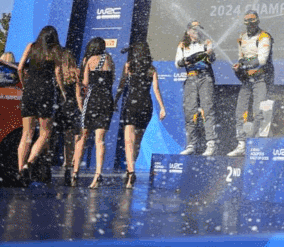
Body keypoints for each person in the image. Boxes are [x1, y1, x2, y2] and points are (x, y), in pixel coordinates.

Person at [16, 25, 66, 184]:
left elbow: (20, 68)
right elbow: (58, 73)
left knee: (26, 134)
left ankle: (20, 170)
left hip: (29, 91)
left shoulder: (31, 47)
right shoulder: (55, 51)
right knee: (45, 133)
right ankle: (29, 163)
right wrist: (63, 91)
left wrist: (24, 85)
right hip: (46, 92)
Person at [115, 42, 166, 188]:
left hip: (132, 103)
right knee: (137, 142)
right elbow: (156, 89)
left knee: (128, 141)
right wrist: (162, 107)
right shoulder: (151, 69)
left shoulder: (129, 66)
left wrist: (116, 100)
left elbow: (122, 85)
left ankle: (131, 172)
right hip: (145, 105)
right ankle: (130, 170)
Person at [227, 11, 274, 157]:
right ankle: (241, 144)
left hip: (261, 79)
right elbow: (241, 57)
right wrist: (238, 67)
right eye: (247, 21)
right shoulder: (242, 37)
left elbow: (262, 60)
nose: (250, 24)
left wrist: (243, 64)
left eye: (253, 21)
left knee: (259, 112)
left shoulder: (264, 36)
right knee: (240, 112)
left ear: (258, 21)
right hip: (247, 80)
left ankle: (257, 144)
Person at [72, 37, 115, 189]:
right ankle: (98, 174)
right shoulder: (109, 59)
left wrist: (77, 80)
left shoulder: (89, 60)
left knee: (82, 137)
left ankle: (75, 172)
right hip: (106, 100)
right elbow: (112, 79)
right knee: (100, 140)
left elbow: (85, 83)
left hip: (93, 100)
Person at [175, 21, 219, 156]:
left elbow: (212, 59)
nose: (196, 32)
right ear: (188, 31)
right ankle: (191, 144)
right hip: (191, 77)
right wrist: (187, 60)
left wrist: (209, 53)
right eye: (193, 30)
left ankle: (211, 144)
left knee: (207, 109)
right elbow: (177, 63)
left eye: (199, 29)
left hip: (205, 77)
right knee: (190, 111)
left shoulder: (206, 42)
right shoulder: (183, 45)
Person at [54, 48, 81, 186]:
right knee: (70, 138)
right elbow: (78, 93)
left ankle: (50, 163)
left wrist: (62, 92)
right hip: (71, 106)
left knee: (55, 136)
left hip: (59, 105)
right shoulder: (75, 72)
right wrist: (81, 109)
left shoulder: (58, 72)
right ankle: (68, 163)